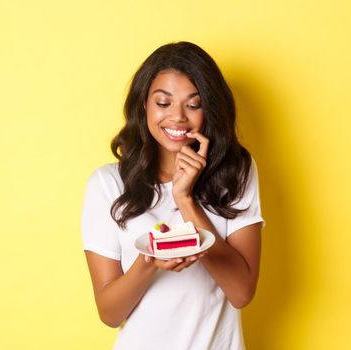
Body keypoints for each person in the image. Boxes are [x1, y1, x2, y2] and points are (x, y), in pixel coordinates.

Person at [81, 41, 265, 350]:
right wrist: (150, 260)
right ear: (144, 106)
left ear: (210, 109)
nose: (177, 117)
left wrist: (185, 199)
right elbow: (110, 313)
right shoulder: (108, 184)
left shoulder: (237, 172)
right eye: (163, 103)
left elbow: (241, 292)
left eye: (193, 105)